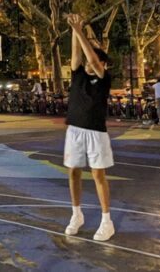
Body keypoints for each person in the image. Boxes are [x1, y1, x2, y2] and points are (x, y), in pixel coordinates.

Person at [64, 13, 115, 242]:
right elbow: (77, 56)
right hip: (74, 130)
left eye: (93, 61)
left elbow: (93, 60)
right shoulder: (78, 76)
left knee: (97, 174)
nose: (88, 64)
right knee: (73, 171)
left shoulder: (104, 78)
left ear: (103, 64)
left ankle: (107, 221)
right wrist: (76, 29)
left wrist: (80, 31)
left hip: (95, 132)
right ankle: (76, 215)